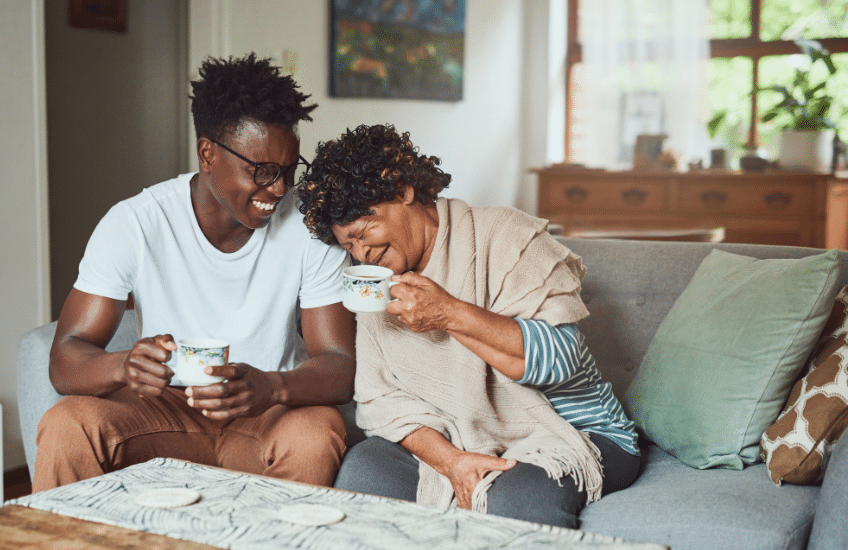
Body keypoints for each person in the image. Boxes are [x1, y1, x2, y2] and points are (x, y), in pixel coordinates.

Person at [32, 54, 356, 492]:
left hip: (266, 411)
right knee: (67, 423)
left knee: (317, 432)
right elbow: (64, 360)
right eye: (261, 171)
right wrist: (122, 365)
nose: (279, 189)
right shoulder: (136, 223)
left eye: (288, 170)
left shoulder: (309, 227)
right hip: (163, 411)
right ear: (208, 154)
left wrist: (273, 387)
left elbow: (340, 363)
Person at [296, 123, 639, 529]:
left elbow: (560, 361)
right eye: (348, 245)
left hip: (571, 433)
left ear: (403, 190)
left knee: (512, 502)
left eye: (364, 232)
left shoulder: (507, 236)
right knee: (363, 475)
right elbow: (377, 399)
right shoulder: (373, 280)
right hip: (455, 436)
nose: (362, 252)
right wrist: (452, 461)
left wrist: (448, 313)